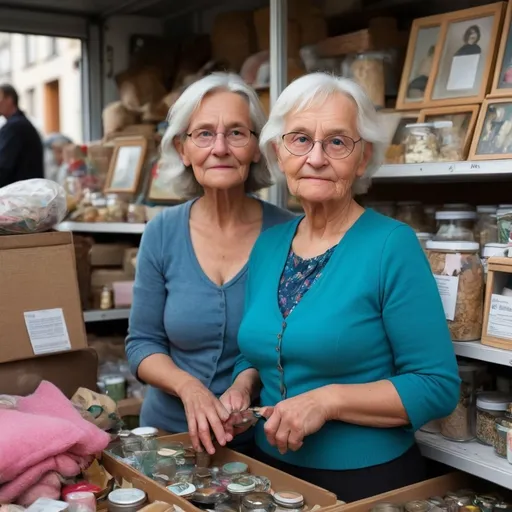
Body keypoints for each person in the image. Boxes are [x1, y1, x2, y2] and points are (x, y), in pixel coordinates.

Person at [223, 73, 460, 502]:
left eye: (336, 142)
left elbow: (436, 385)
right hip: (269, 474)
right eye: (299, 139)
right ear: (278, 151)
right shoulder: (270, 244)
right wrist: (242, 385)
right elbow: (255, 346)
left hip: (365, 482)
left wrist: (326, 401)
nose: (315, 157)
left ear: (363, 156)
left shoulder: (392, 245)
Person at [125, 73, 295, 455]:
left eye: (236, 132)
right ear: (183, 150)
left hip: (261, 439)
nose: (219, 148)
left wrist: (244, 385)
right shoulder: (162, 232)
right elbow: (141, 343)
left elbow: (289, 339)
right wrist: (191, 390)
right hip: (168, 438)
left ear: (256, 147)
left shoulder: (289, 232)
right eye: (203, 133)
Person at [0, 84, 44, 188]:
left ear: (9, 99)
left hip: (19, 196)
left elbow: (3, 166)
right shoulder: (21, 124)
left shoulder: (14, 127)